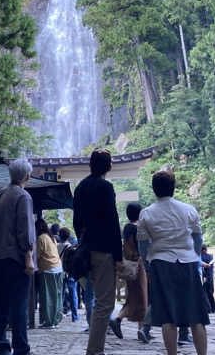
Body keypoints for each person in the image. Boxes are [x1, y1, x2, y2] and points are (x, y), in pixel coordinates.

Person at [137, 170, 208, 355]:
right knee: (196, 316)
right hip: (188, 263)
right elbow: (197, 239)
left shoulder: (146, 214)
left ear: (154, 189)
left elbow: (143, 246)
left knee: (168, 317)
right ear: (173, 188)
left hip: (161, 264)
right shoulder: (189, 210)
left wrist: (147, 266)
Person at [73, 148, 122, 355]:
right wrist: (118, 257)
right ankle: (94, 350)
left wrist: (83, 242)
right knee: (104, 303)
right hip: (103, 251)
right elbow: (113, 222)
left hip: (86, 250)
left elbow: (76, 222)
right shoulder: (105, 187)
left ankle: (95, 349)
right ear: (109, 166)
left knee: (98, 301)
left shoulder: (81, 186)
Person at [0, 158, 36, 355]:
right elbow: (25, 230)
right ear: (26, 176)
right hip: (16, 258)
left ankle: (0, 344)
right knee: (18, 304)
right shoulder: (23, 196)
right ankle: (21, 347)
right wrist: (28, 254)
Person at [109, 202, 148, 340]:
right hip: (138, 266)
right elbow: (142, 250)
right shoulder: (138, 228)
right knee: (142, 298)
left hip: (128, 266)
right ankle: (138, 328)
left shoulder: (126, 228)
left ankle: (140, 329)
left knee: (133, 297)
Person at [35, 218, 63, 328]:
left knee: (47, 296)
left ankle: (49, 321)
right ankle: (55, 319)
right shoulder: (51, 238)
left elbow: (37, 256)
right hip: (58, 268)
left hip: (47, 269)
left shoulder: (40, 238)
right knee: (56, 296)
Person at [57, 227, 78, 322]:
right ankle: (75, 316)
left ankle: (59, 315)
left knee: (60, 294)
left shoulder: (56, 246)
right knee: (73, 293)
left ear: (59, 235)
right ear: (68, 236)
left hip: (60, 272)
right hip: (70, 273)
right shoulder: (71, 247)